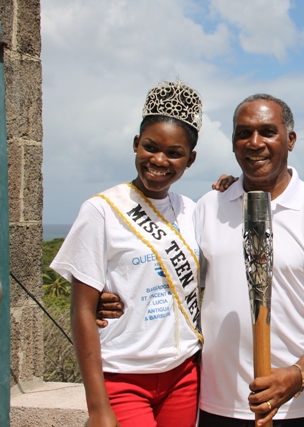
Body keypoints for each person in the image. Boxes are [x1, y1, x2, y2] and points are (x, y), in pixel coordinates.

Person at [51, 80, 204, 427]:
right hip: (122, 377)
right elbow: (82, 310)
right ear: (136, 145)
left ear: (190, 159)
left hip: (184, 374)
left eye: (175, 153)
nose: (159, 161)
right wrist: (98, 407)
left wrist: (230, 184)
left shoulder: (193, 212)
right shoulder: (102, 210)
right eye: (150, 147)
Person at [198, 93, 304, 427]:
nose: (255, 143)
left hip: (299, 408)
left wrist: (296, 376)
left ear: (291, 140)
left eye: (268, 131)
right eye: (244, 133)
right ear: (233, 143)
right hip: (218, 405)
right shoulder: (208, 208)